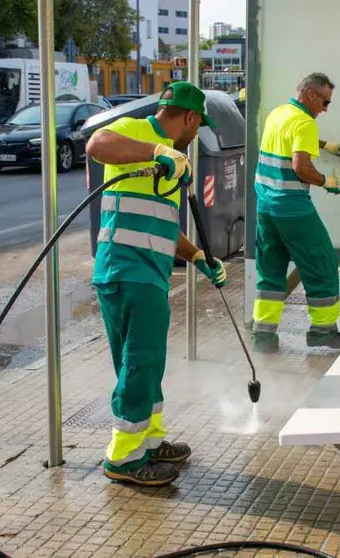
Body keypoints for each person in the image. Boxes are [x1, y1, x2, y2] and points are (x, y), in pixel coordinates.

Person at [85, 82, 226, 486]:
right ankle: (124, 459)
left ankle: (148, 442)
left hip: (146, 273)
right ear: (189, 117)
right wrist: (156, 151)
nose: (195, 135)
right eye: (198, 126)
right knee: (139, 364)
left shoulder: (172, 162)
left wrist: (196, 256)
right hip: (127, 270)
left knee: (147, 364)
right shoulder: (138, 132)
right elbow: (97, 144)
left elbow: (159, 223)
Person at [250, 72, 340, 354]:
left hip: (265, 207)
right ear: (311, 94)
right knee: (321, 263)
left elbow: (289, 139)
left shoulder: (278, 114)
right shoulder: (306, 123)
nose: (326, 108)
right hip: (292, 208)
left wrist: (322, 144)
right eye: (325, 101)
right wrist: (325, 181)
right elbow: (301, 167)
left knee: (271, 269)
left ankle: (263, 335)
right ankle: (323, 331)